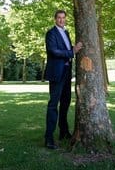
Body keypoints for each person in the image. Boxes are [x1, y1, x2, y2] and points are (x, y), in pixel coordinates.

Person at [44, 10, 82, 150]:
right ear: (55, 19)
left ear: (65, 19)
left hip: (66, 73)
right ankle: (48, 137)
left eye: (63, 18)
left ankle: (64, 132)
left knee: (65, 103)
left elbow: (65, 49)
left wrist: (73, 48)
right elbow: (54, 51)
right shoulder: (51, 33)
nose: (61, 20)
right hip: (56, 73)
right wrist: (72, 52)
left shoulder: (66, 33)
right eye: (59, 18)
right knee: (53, 105)